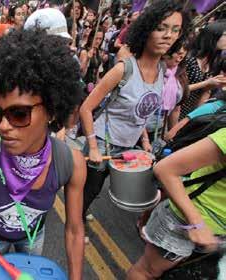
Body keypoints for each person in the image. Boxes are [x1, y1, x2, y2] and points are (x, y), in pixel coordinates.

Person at [0, 28, 85, 280]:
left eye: (19, 114)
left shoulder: (70, 162)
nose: (3, 126)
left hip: (33, 236)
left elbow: (75, 230)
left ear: (52, 110)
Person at [79, 0, 189, 225]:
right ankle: (76, 223)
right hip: (103, 142)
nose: (168, 36)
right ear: (146, 30)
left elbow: (142, 112)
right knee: (89, 190)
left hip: (129, 147)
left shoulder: (161, 70)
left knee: (109, 190)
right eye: (161, 28)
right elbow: (86, 108)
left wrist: (145, 139)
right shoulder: (123, 69)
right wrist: (92, 147)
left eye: (175, 30)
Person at [127, 128, 226, 279]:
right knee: (147, 272)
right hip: (183, 223)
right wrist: (197, 224)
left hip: (217, 238)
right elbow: (165, 169)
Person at [179, 21, 226, 119]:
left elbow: (204, 92)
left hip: (190, 112)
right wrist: (206, 83)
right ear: (213, 36)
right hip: (175, 108)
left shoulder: (213, 62)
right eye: (225, 35)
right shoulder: (189, 58)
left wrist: (195, 116)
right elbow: (177, 89)